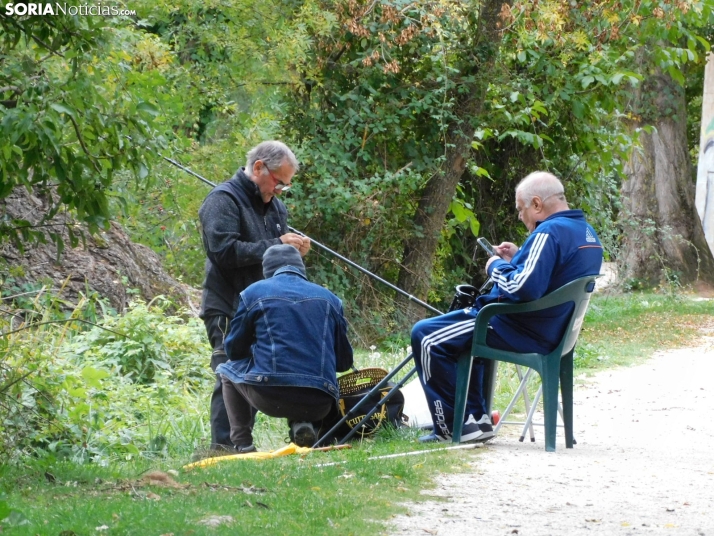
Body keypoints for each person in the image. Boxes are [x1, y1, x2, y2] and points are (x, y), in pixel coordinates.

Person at [412, 171, 603, 443]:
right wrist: (518, 256)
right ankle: (476, 420)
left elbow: (523, 288)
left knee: (426, 335)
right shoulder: (585, 232)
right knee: (458, 337)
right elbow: (549, 277)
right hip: (555, 330)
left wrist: (496, 266)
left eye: (520, 209)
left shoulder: (549, 231)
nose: (520, 216)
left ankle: (451, 428)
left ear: (536, 205)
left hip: (518, 327)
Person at [199, 140, 311, 450]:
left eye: (285, 186)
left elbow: (275, 258)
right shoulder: (222, 200)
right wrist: (277, 241)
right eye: (278, 182)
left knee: (261, 369)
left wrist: (294, 251)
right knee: (228, 371)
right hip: (226, 305)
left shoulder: (276, 207)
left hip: (263, 306)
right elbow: (223, 252)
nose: (280, 190)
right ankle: (222, 448)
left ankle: (246, 444)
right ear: (259, 167)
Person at [216, 244, 354, 451]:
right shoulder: (330, 299)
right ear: (301, 268)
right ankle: (302, 424)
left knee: (226, 370)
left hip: (271, 397)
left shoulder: (253, 293)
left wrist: (258, 347)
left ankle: (243, 444)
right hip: (321, 402)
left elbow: (234, 351)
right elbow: (344, 363)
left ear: (266, 270)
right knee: (301, 368)